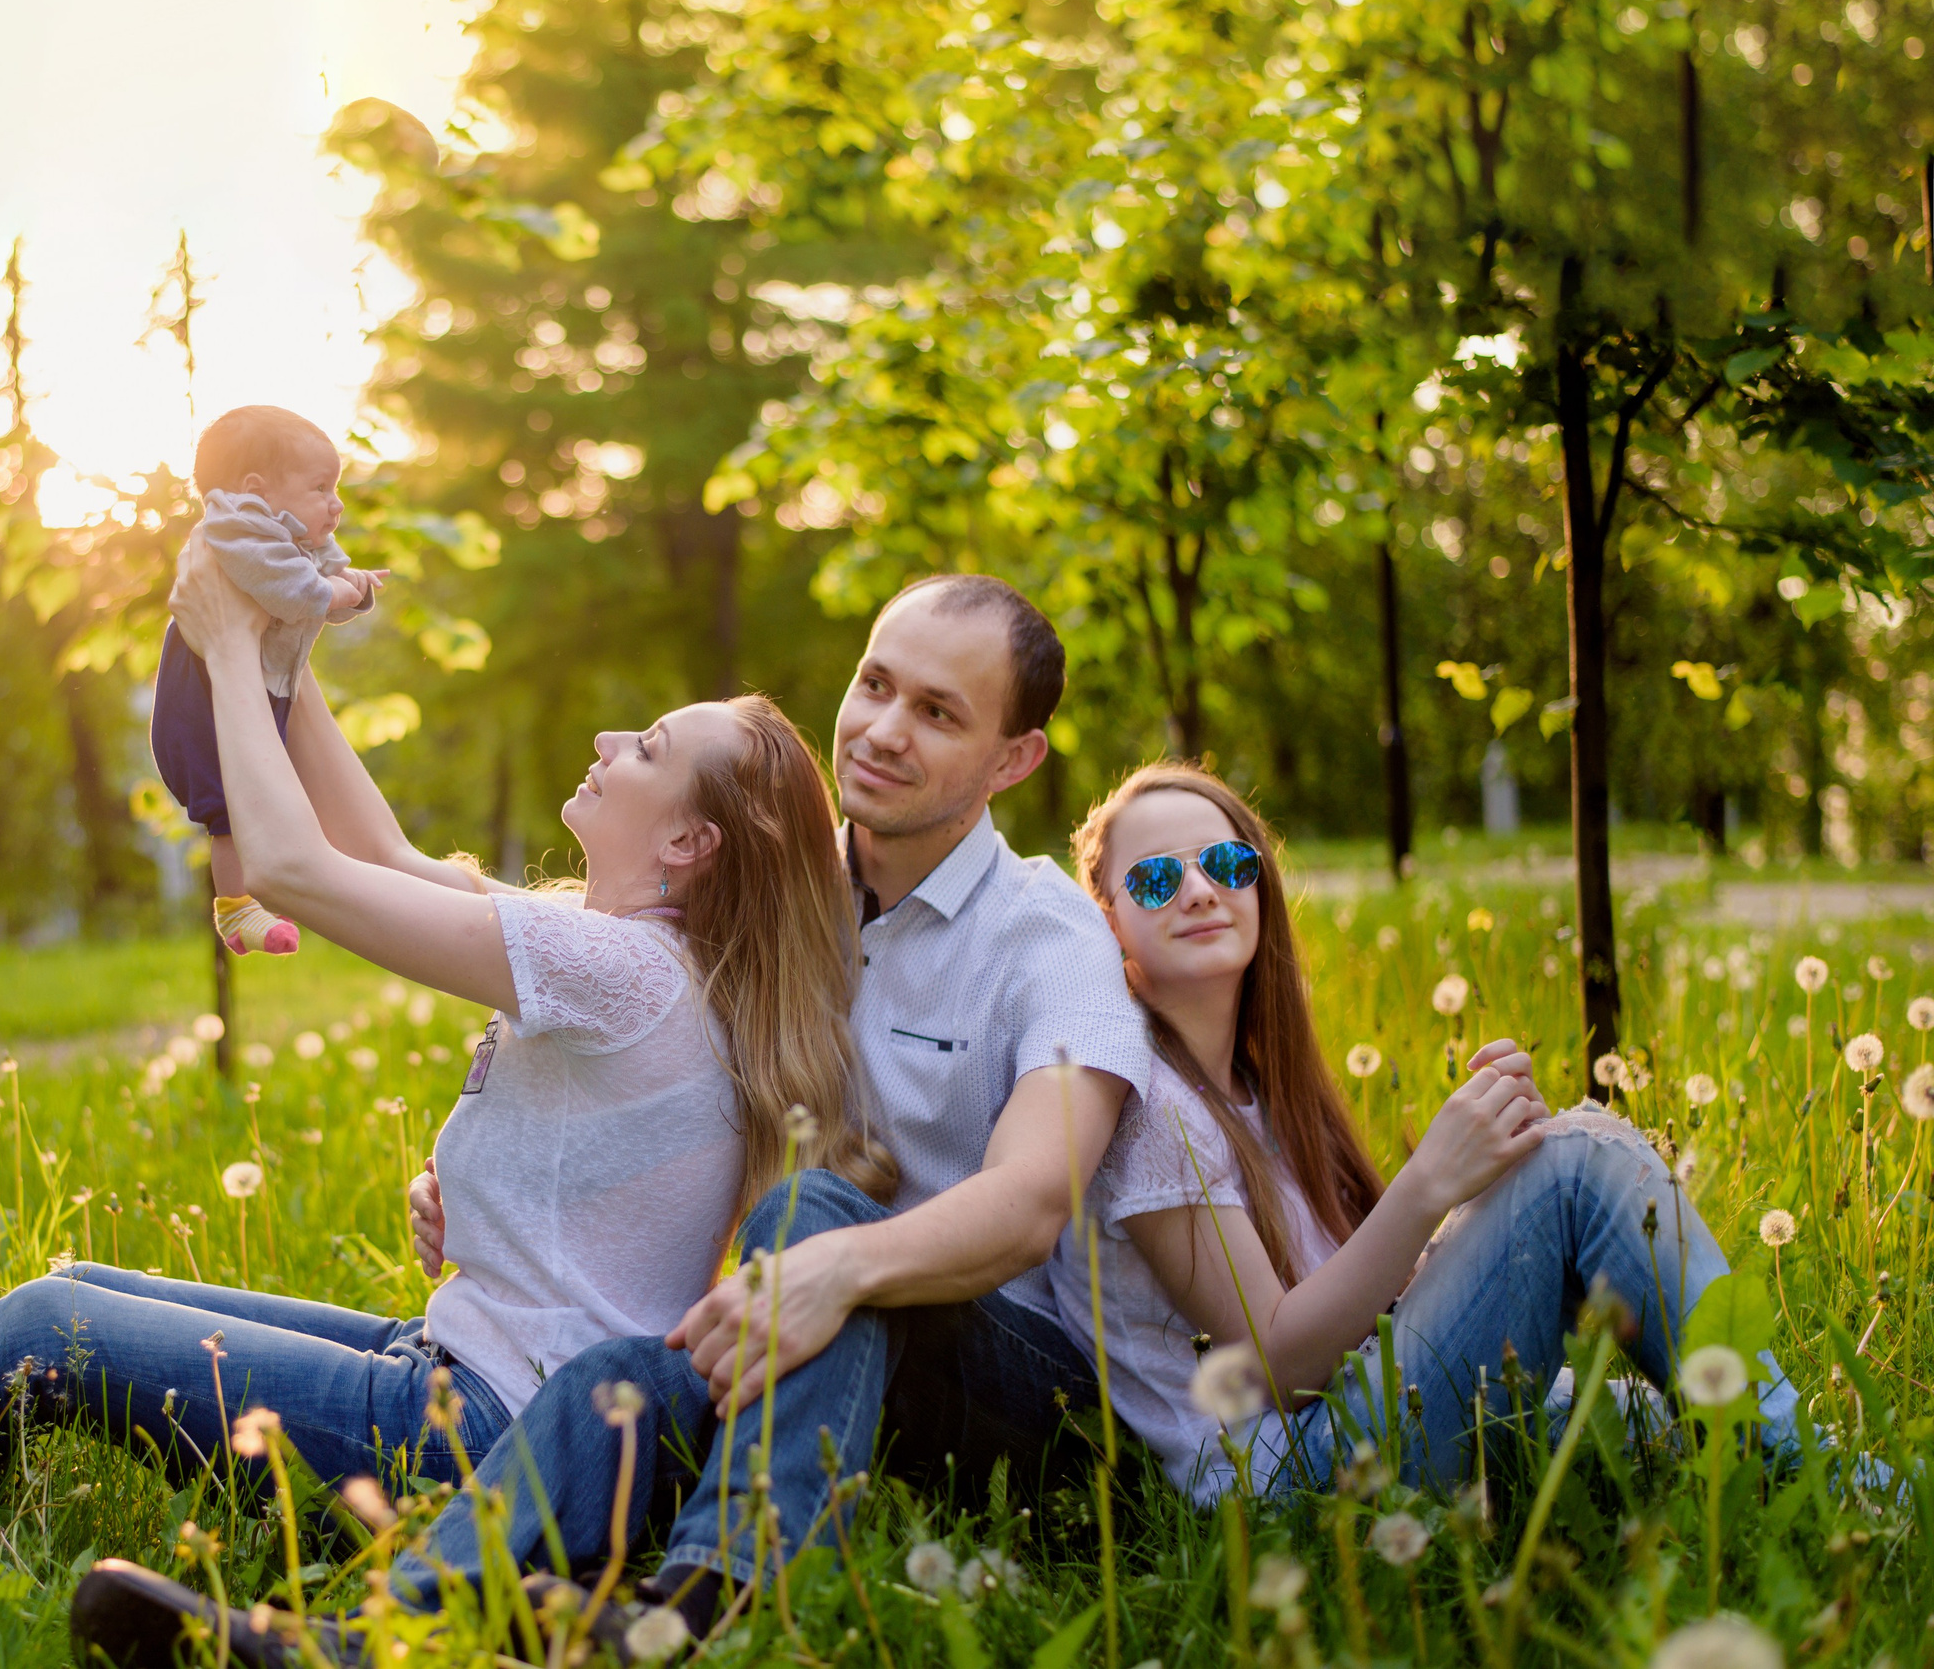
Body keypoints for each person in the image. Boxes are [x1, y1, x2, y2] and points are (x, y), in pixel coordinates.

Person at [0, 524, 887, 1547]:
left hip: (473, 1436)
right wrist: (285, 662)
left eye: (641, 747)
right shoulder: (640, 964)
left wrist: (218, 629)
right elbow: (378, 845)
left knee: (46, 1326)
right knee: (66, 1285)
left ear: (690, 840)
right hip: (463, 1375)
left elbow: (308, 873)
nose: (603, 747)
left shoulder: (618, 966)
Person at [67, 574, 1148, 1667]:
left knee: (818, 1216)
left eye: (938, 712)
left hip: (1012, 1384)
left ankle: (703, 1608)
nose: (882, 728)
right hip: (795, 1348)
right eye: (875, 684)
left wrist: (838, 1268)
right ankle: (375, 1643)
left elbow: (1027, 1206)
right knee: (609, 1377)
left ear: (1013, 759)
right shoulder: (780, 892)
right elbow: (439, 895)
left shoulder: (1045, 942)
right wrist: (502, 1174)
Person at [1053, 760, 1801, 1504]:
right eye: (1156, 878)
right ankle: (1816, 1480)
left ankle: (1798, 1476)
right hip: (1295, 1480)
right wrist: (1431, 1184)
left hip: (1361, 1414)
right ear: (1108, 921)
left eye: (1225, 863)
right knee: (1576, 1162)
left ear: (1260, 885)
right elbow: (1278, 1367)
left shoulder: (1259, 1086)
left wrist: (1494, 1187)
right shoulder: (1149, 1104)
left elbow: (1365, 1309)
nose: (1199, 890)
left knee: (1644, 1417)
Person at [151, 404, 384, 957]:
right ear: (256, 488)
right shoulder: (234, 524)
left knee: (266, 792)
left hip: (249, 687)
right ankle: (235, 909)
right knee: (230, 803)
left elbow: (324, 579)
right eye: (321, 487)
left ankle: (278, 887)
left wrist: (355, 584)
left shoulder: (291, 534)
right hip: (201, 692)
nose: (336, 503)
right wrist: (335, 590)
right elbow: (290, 587)